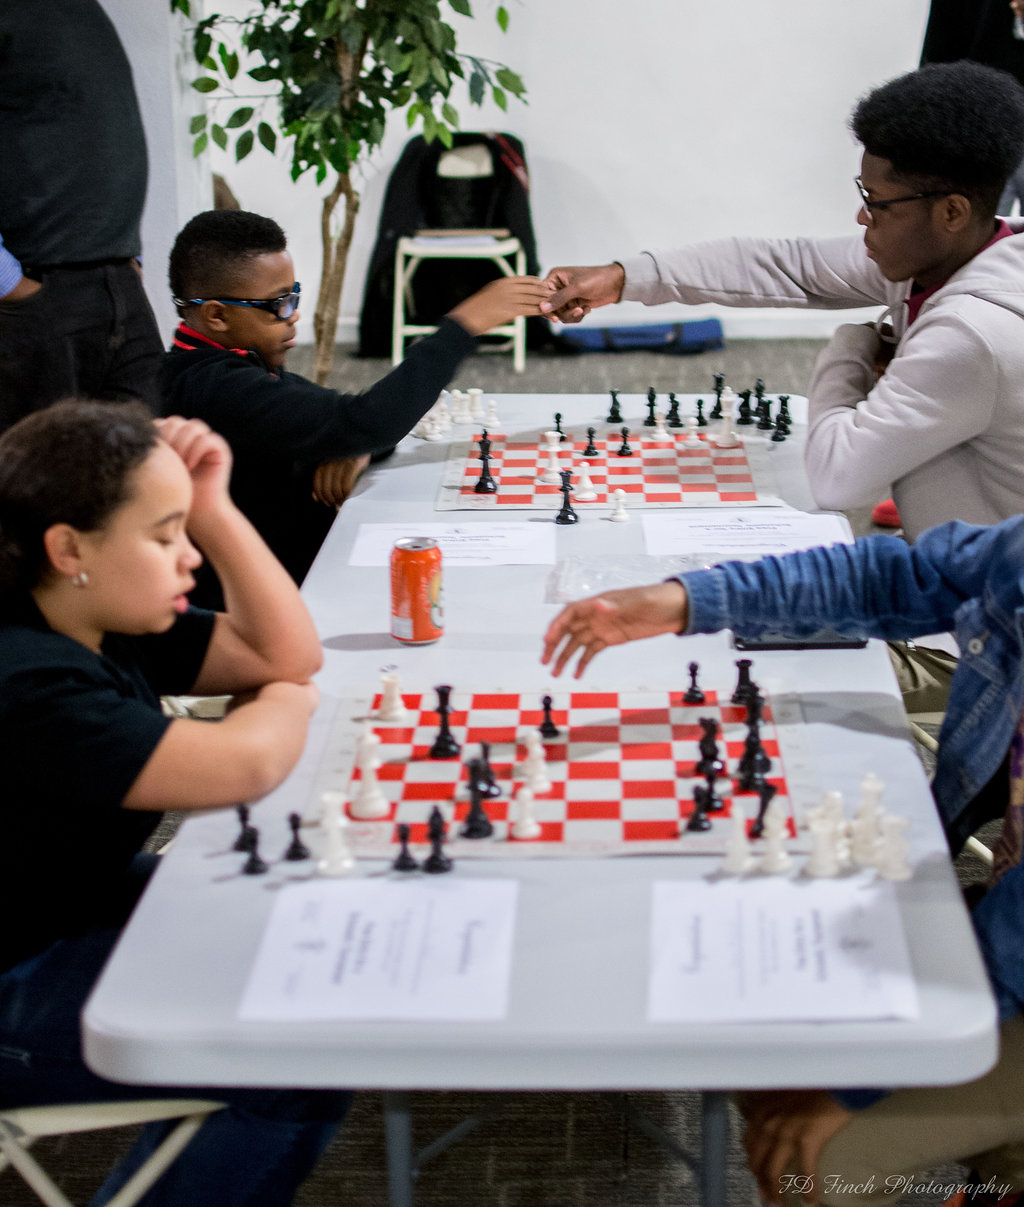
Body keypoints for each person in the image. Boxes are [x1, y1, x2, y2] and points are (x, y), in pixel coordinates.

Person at [540, 520, 1024, 1207]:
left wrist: (859, 1080)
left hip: (1013, 954)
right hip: (1003, 921)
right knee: (761, 1026)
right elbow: (890, 576)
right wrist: (685, 600)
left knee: (810, 1168)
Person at [0, 400, 351, 1206]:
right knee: (299, 1046)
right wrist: (285, 703)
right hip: (15, 968)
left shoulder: (87, 604)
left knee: (301, 913)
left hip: (62, 898)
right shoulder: (29, 681)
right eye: (165, 536)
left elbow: (286, 650)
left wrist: (216, 508)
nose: (188, 558)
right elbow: (246, 760)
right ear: (69, 549)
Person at [540, 62, 1024, 547]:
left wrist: (851, 345)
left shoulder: (972, 332)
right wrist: (623, 277)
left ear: (952, 212)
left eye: (875, 201)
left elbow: (837, 479)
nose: (861, 215)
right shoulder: (957, 252)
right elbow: (784, 263)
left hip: (995, 608)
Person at [162, 209, 550, 607]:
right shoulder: (213, 388)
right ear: (217, 314)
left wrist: (354, 445)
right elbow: (365, 419)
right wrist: (465, 325)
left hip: (296, 572)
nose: (293, 314)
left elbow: (352, 422)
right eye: (277, 304)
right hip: (262, 603)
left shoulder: (232, 365)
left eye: (292, 295)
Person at [0, 1, 164, 429]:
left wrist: (129, 260)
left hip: (116, 284)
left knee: (143, 473)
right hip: (38, 294)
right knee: (41, 484)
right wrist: (10, 284)